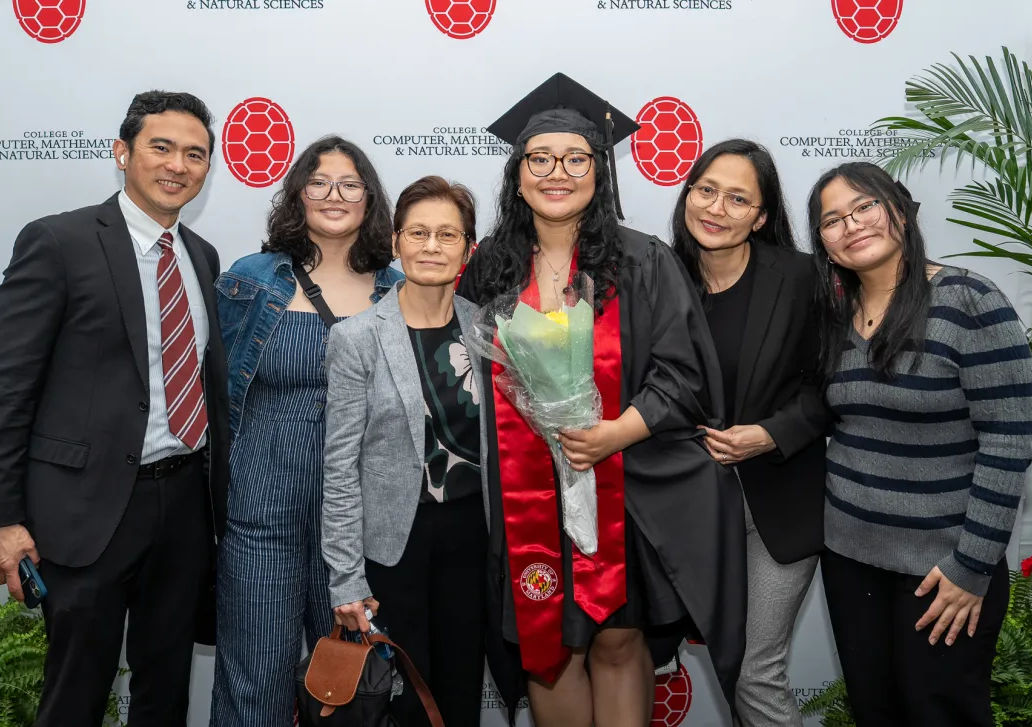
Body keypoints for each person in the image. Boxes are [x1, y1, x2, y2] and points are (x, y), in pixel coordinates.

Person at [456, 73, 746, 727]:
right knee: (548, 649)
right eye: (541, 158)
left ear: (599, 169)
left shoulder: (643, 260)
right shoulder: (488, 267)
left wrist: (616, 431)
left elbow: (683, 372)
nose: (557, 172)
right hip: (523, 492)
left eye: (576, 158)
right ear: (519, 171)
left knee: (618, 638)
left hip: (624, 485)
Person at [0, 91, 230, 727]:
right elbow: (6, 388)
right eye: (160, 147)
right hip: (85, 512)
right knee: (75, 695)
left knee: (165, 689)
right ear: (123, 153)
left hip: (183, 507)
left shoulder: (201, 257)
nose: (178, 165)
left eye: (195, 154)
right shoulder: (58, 241)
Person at [808, 162, 1032, 727]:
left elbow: (1007, 444)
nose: (851, 225)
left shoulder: (969, 302)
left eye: (865, 207)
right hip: (850, 559)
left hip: (941, 568)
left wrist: (971, 567)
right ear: (825, 246)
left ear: (901, 213)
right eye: (832, 219)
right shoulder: (835, 319)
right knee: (874, 712)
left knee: (941, 714)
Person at [209, 136, 403, 726]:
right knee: (254, 683)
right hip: (260, 517)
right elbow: (210, 392)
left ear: (369, 200)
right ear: (297, 195)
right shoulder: (250, 280)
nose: (333, 195)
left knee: (343, 693)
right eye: (318, 182)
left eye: (349, 184)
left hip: (354, 531)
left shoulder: (397, 292)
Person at [670, 139, 828, 727]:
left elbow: (833, 385)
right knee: (730, 667)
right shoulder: (662, 275)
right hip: (688, 509)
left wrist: (769, 434)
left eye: (739, 199)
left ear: (761, 217)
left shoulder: (800, 277)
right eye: (706, 190)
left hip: (779, 503)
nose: (716, 207)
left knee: (756, 673)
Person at [322, 175, 488, 726]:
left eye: (447, 234)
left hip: (474, 538)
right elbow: (340, 467)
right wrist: (345, 577)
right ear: (395, 242)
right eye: (418, 232)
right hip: (394, 544)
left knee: (461, 690)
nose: (432, 246)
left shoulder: (489, 332)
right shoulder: (357, 337)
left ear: (469, 247)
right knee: (408, 701)